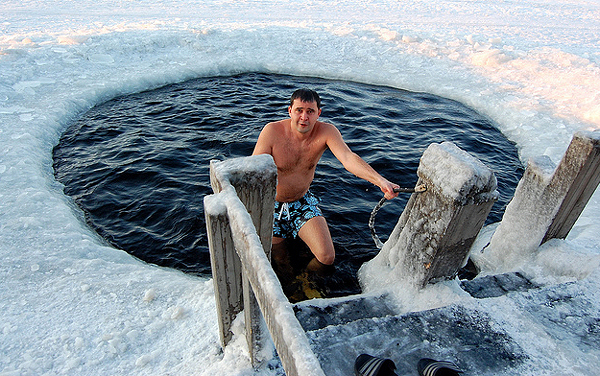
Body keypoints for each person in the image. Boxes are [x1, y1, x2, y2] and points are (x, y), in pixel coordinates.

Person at [252, 88, 399, 272]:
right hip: (270, 204)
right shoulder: (272, 131)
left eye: (310, 111)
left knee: (326, 257)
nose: (304, 117)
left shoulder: (327, 132)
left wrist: (381, 181)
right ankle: (289, 285)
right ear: (290, 111)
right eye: (299, 110)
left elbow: (348, 158)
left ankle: (307, 281)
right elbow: (253, 170)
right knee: (280, 258)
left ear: (318, 113)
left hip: (302, 202)